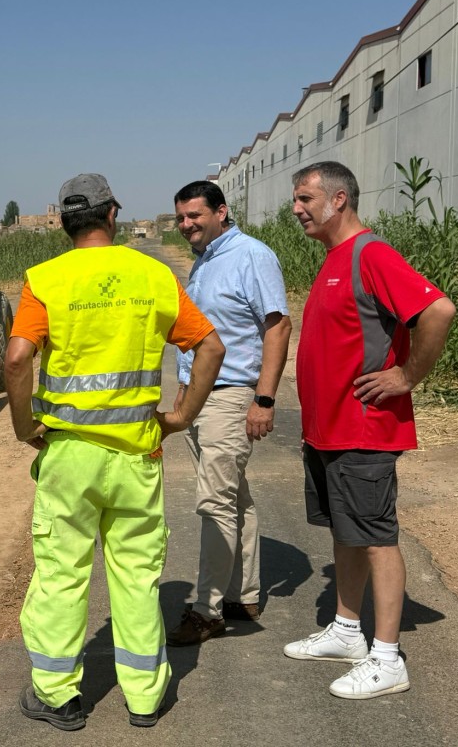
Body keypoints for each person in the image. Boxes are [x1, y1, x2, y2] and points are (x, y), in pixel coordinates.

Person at [5, 173, 225, 730]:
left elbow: (15, 359)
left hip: (69, 457)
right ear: (111, 215)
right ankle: (146, 698)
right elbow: (210, 348)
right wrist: (180, 418)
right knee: (135, 577)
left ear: (64, 222)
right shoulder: (154, 275)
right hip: (137, 457)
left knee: (61, 573)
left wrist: (24, 426)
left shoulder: (45, 280)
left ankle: (58, 697)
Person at [284, 161, 455, 699]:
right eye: (296, 199)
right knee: (347, 531)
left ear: (339, 200)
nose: (296, 208)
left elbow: (438, 310)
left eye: (306, 198)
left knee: (377, 537)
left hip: (363, 430)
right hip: (329, 431)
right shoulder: (336, 259)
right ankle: (345, 630)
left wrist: (406, 376)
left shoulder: (370, 254)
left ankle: (386, 658)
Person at [166, 181, 292, 646]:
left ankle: (207, 609)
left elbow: (277, 326)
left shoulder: (250, 255)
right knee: (234, 497)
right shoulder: (206, 261)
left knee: (214, 502)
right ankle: (243, 593)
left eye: (195, 216)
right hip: (204, 396)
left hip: (232, 394)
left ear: (221, 211)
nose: (186, 225)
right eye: (180, 218)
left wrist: (263, 399)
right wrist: (184, 394)